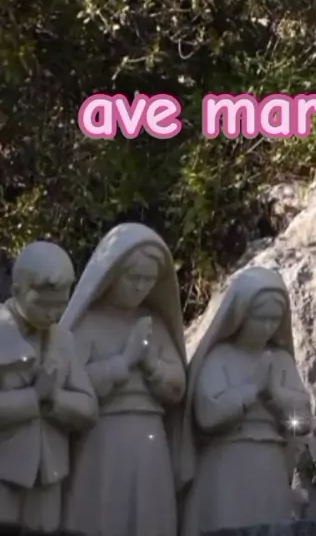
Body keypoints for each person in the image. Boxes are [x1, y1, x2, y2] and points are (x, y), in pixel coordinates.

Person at [61, 223, 186, 536]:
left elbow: (178, 386)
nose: (140, 287)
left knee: (149, 516)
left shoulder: (155, 325)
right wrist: (123, 362)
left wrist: (153, 366)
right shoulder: (88, 324)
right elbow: (70, 384)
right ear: (112, 273)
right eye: (133, 278)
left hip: (150, 437)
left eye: (148, 279)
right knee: (103, 513)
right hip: (103, 436)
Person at [179, 266, 311, 536]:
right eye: (260, 319)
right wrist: (252, 390)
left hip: (269, 465)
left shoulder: (281, 361)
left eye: (274, 320)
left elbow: (302, 421)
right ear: (241, 314)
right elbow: (207, 415)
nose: (267, 327)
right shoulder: (218, 358)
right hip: (227, 463)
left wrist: (277, 396)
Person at [0, 241, 97, 531]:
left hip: (49, 476)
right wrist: (34, 397)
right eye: (42, 304)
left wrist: (55, 399)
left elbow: (89, 408)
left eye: (60, 305)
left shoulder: (63, 340)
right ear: (16, 290)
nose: (52, 313)